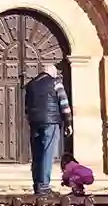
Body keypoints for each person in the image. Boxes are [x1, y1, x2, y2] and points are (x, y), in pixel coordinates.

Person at [23, 61, 72, 195]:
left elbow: (26, 107)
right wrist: (68, 123)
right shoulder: (56, 83)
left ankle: (37, 184)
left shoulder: (31, 85)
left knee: (37, 154)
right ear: (52, 72)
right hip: (51, 122)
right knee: (47, 153)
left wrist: (31, 119)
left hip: (35, 123)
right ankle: (44, 186)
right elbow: (64, 104)